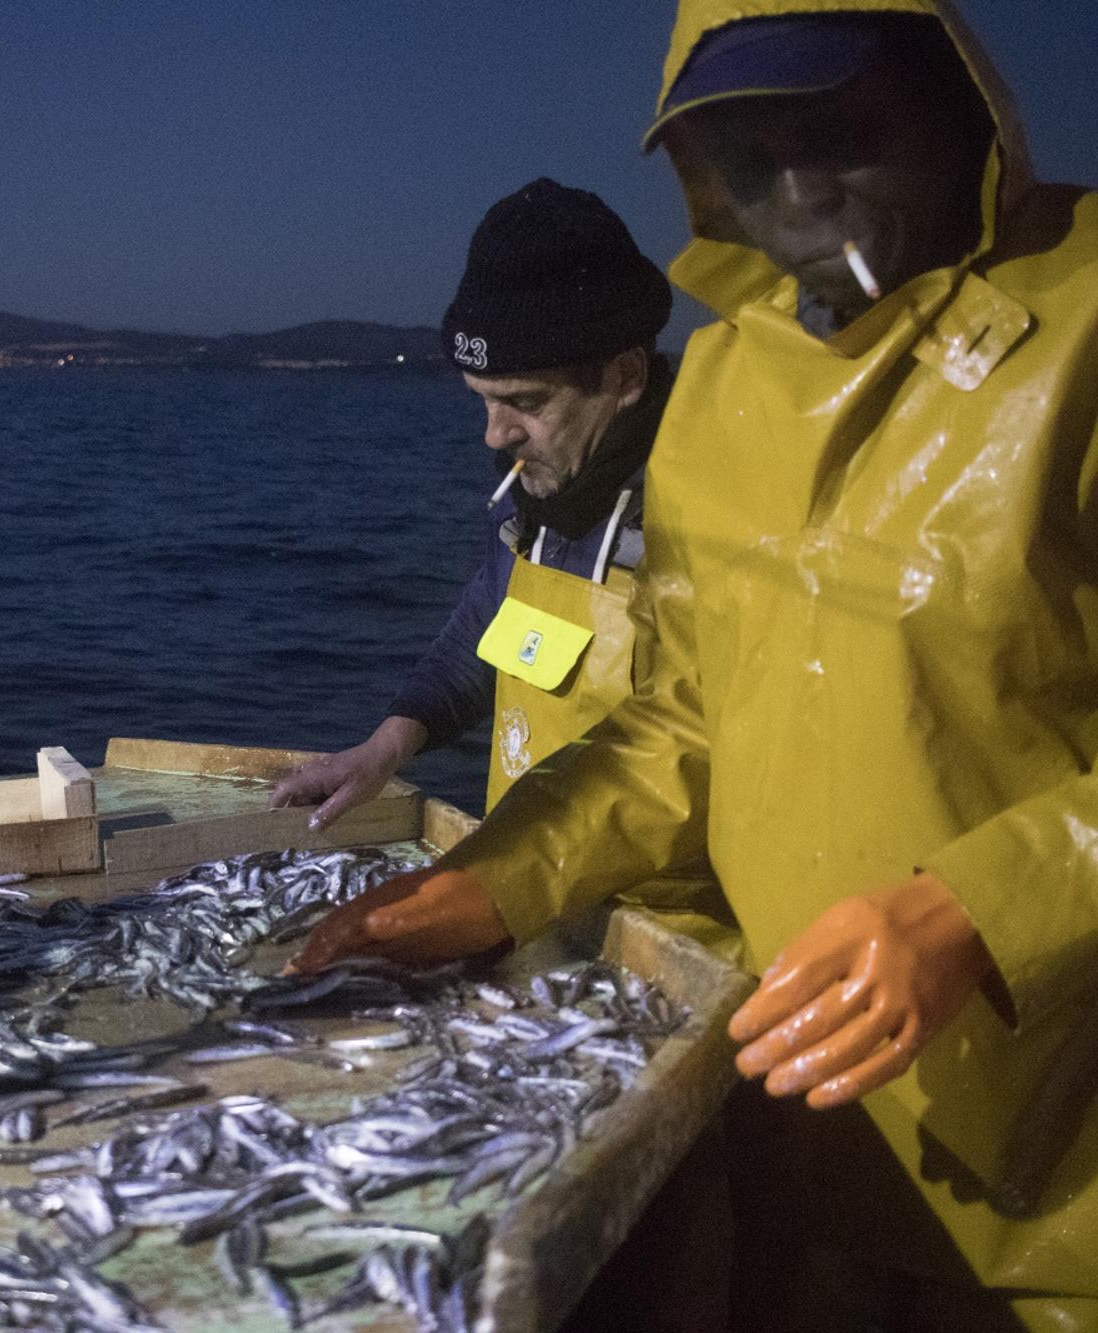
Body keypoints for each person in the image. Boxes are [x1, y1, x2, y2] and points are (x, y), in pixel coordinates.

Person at [296, 3, 1098, 1326]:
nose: (803, 184)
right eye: (749, 148)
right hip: (793, 1123)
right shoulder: (725, 384)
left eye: (839, 129)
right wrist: (497, 880)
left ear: (956, 104)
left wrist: (976, 909)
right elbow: (686, 720)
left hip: (1056, 1163)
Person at [270, 180, 679, 826]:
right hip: (528, 887)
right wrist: (385, 748)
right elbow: (490, 627)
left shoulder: (703, 514)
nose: (495, 434)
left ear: (624, 377)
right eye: (482, 398)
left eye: (526, 402)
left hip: (668, 919)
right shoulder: (534, 498)